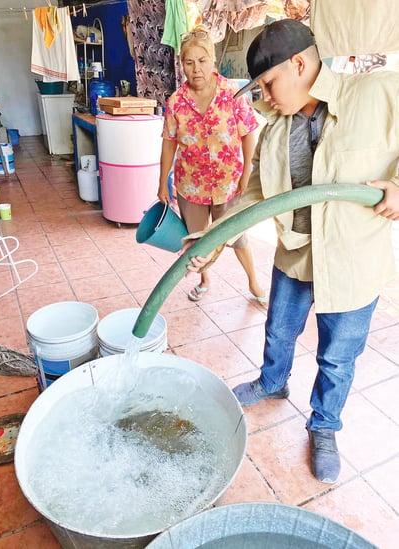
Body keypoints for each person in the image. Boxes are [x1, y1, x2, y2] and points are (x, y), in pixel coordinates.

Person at [186, 19, 399, 483]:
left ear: (299, 64)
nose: (264, 95)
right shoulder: (276, 127)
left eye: (267, 82)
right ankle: (273, 380)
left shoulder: (380, 94)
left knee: (337, 357)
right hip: (297, 253)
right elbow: (258, 191)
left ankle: (324, 425)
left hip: (353, 260)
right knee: (279, 330)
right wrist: (214, 234)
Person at [157, 24, 267, 303]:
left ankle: (254, 283)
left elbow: (248, 131)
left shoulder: (232, 93)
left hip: (228, 183)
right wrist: (162, 183)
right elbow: (169, 141)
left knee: (237, 236)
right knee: (197, 239)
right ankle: (204, 279)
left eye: (202, 61)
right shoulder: (176, 101)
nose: (196, 69)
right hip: (190, 186)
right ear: (181, 64)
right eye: (189, 62)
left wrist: (246, 173)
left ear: (213, 60)